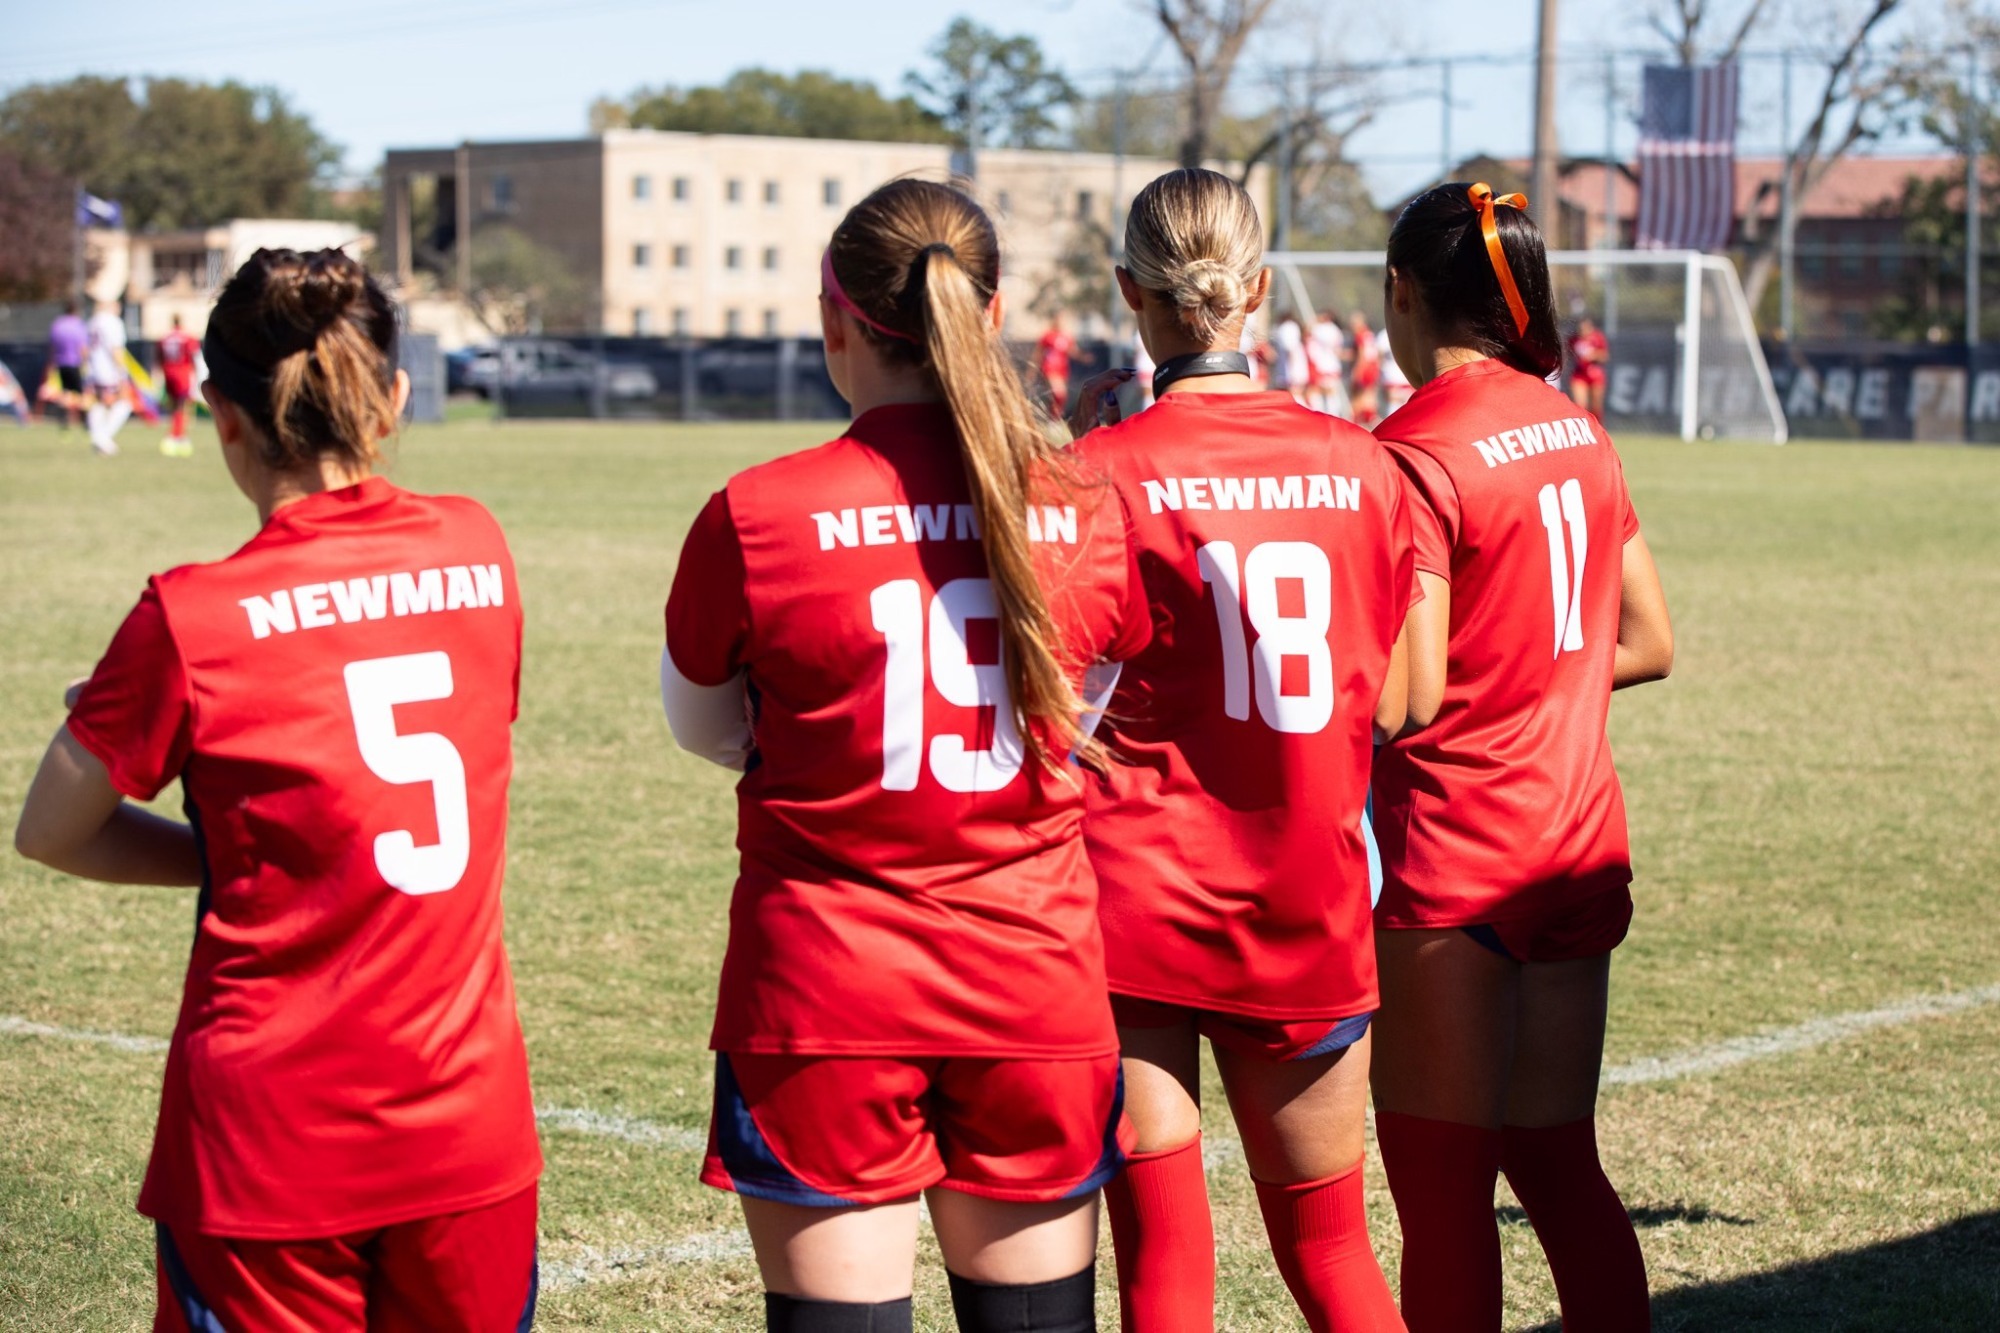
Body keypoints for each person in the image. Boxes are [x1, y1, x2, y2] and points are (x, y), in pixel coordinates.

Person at [13, 248, 542, 1332]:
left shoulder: (191, 617)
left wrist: (234, 843)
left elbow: (51, 830)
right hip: (466, 1129)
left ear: (223, 417)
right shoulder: (479, 547)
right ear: (393, 398)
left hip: (268, 1146)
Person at [662, 178, 1151, 1333]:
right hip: (1029, 980)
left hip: (823, 988)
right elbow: (1077, 712)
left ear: (835, 324)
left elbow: (704, 727)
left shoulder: (758, 512)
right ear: (991, 317)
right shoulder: (1083, 503)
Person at [1068, 167, 1413, 1333]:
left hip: (1134, 898)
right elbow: (1397, 700)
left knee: (1160, 1268)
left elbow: (1047, 703)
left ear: (1129, 292)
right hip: (1304, 895)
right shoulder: (1365, 464)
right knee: (1333, 1254)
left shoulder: (1096, 472)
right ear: (1258, 289)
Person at [1369, 183, 1674, 1333]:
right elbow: (1646, 641)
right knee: (1556, 1165)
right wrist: (1534, 684)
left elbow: (1408, 694)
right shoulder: (1575, 429)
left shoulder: (1412, 450)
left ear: (1400, 291)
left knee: (1440, 1194)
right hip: (1575, 840)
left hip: (1456, 859)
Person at [85, 298, 133, 455]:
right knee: (124, 404)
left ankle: (99, 438)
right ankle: (102, 438)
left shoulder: (93, 321)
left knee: (99, 405)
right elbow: (116, 349)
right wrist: (122, 373)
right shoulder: (113, 322)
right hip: (108, 372)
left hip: (93, 370)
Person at [157, 313, 201, 457]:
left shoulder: (165, 338)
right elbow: (194, 356)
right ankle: (176, 436)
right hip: (182, 374)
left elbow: (158, 357)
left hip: (168, 372)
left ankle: (179, 435)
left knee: (174, 406)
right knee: (183, 406)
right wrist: (198, 376)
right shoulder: (188, 337)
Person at [45, 300, 88, 431]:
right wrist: (86, 362)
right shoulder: (78, 325)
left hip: (61, 363)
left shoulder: (57, 325)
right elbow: (83, 347)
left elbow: (52, 347)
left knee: (65, 392)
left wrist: (51, 363)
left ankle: (64, 419)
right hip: (75, 363)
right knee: (80, 393)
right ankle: (84, 420)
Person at [1306, 310, 1349, 418]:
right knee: (1331, 395)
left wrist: (1315, 321)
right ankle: (1334, 418)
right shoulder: (1336, 331)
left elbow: (1308, 330)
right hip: (1333, 365)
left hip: (1322, 366)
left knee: (1319, 393)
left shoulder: (1322, 329)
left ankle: (1320, 418)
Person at [1037, 310, 1078, 415]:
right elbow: (1038, 353)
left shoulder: (1067, 337)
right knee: (1058, 393)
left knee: (1061, 396)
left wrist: (1085, 357)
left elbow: (1073, 351)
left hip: (1062, 369)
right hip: (1050, 368)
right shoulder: (1048, 335)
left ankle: (1054, 416)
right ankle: (1053, 417)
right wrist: (1033, 370)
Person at [1569, 315, 1610, 418]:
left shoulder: (1598, 337)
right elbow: (1569, 355)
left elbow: (1605, 356)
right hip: (1580, 374)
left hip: (1596, 375)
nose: (1583, 331)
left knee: (1596, 406)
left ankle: (1597, 425)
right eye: (1581, 329)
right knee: (1580, 405)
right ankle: (1583, 424)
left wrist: (1594, 355)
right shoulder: (1574, 340)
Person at [1347, 311, 1381, 427]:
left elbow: (1362, 356)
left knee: (1357, 398)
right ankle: (1372, 420)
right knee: (1369, 397)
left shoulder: (1360, 335)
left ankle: (1353, 423)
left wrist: (1357, 372)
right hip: (1372, 368)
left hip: (1365, 369)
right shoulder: (1369, 334)